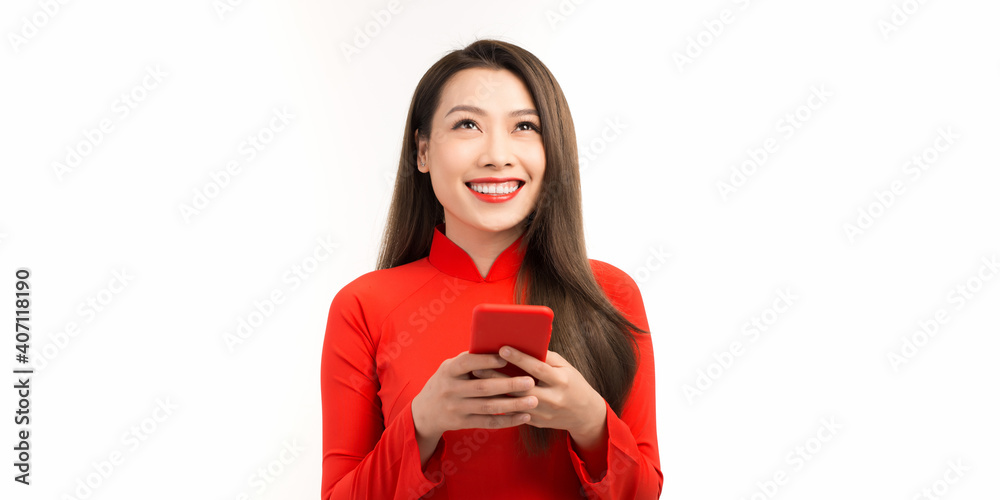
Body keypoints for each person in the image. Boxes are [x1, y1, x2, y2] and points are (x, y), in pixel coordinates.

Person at [321, 38, 662, 499]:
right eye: (467, 124)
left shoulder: (610, 293)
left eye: (524, 126)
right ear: (422, 151)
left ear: (553, 149)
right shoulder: (363, 306)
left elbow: (643, 493)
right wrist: (422, 423)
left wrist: (590, 422)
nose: (497, 155)